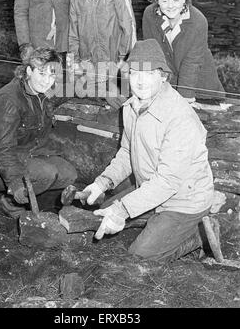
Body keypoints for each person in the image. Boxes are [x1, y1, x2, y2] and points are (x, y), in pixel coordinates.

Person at [76, 39, 214, 262]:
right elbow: (127, 152)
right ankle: (152, 221)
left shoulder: (180, 117)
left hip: (184, 199)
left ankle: (199, 236)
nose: (140, 80)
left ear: (163, 76)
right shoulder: (132, 107)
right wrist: (102, 182)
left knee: (140, 256)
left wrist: (123, 210)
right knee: (103, 211)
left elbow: (168, 181)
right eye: (134, 73)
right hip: (151, 187)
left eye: (149, 73)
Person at [0, 47, 77, 218]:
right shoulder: (9, 101)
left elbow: (68, 91)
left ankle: (33, 195)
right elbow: (2, 150)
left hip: (27, 151)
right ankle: (10, 202)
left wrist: (101, 89)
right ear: (29, 70)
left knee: (69, 174)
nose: (47, 81)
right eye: (42, 73)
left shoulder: (42, 91)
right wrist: (15, 184)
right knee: (47, 174)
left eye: (52, 75)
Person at [68, 0, 137, 106]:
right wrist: (75, 63)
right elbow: (73, 36)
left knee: (120, 106)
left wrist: (124, 61)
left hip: (116, 65)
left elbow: (129, 31)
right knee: (90, 107)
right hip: (89, 67)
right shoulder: (77, 0)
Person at [142, 0, 224, 106]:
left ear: (184, 0)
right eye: (164, 1)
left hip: (200, 88)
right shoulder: (150, 15)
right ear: (157, 1)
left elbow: (192, 62)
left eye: (175, 0)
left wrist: (184, 99)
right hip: (168, 87)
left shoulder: (198, 21)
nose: (170, 6)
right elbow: (150, 53)